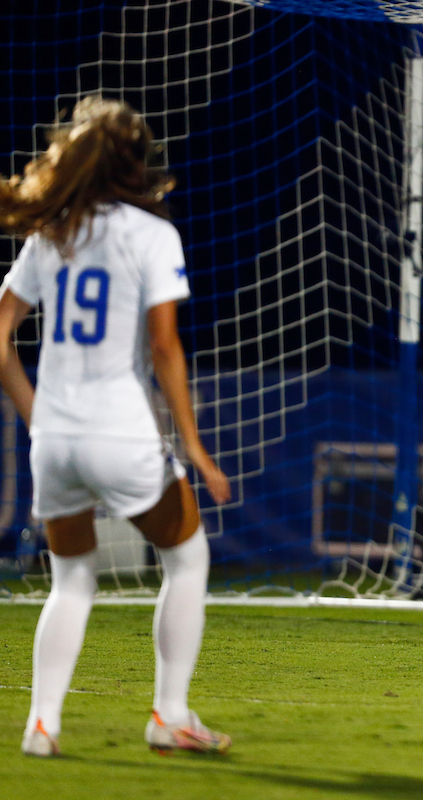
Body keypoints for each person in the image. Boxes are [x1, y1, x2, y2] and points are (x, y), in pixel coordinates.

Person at [0, 96, 233, 757]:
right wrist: (193, 447)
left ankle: (41, 725)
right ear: (135, 161)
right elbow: (164, 349)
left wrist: (34, 413)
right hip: (120, 433)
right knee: (187, 558)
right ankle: (170, 715)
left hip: (55, 441)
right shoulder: (152, 234)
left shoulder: (52, 234)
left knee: (72, 579)